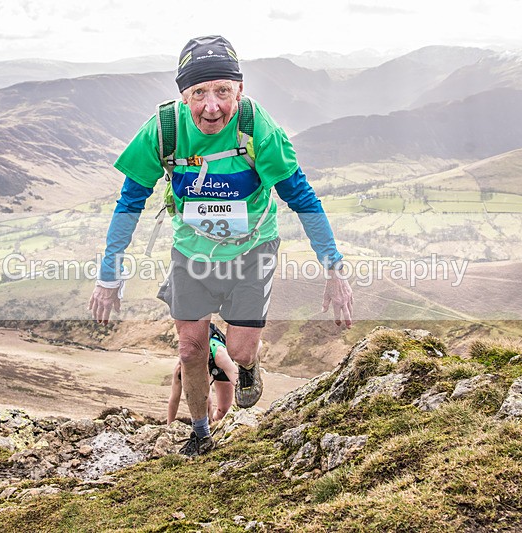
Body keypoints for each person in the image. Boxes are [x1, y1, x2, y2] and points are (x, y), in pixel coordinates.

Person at [89, 35, 352, 456]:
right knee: (191, 350)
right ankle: (200, 433)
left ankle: (248, 367)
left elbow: (301, 197)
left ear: (239, 91)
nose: (212, 106)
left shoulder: (259, 130)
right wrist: (109, 274)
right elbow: (129, 202)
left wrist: (333, 269)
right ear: (183, 95)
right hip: (191, 251)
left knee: (239, 351)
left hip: (252, 251)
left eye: (223, 91)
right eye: (199, 93)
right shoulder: (163, 130)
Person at [167, 323, 239, 427]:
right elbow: (174, 400)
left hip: (219, 362)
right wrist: (169, 427)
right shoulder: (180, 369)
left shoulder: (220, 355)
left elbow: (240, 383)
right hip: (202, 357)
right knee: (203, 403)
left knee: (223, 411)